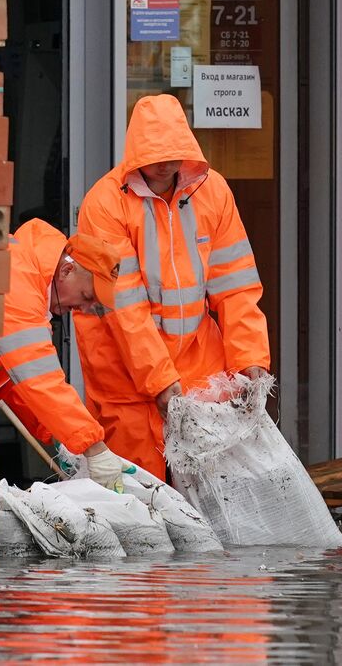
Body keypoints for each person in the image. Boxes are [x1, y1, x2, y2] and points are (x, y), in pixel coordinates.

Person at [73, 93, 271, 479]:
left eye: (175, 153)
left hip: (197, 359)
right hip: (123, 370)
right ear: (137, 155)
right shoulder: (105, 204)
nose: (166, 164)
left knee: (216, 482)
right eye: (156, 156)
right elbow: (124, 308)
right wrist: (161, 381)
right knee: (140, 488)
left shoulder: (212, 191)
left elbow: (237, 285)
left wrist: (251, 360)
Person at [0, 218, 133, 490]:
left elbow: (15, 381)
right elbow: (39, 377)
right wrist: (92, 445)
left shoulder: (26, 274)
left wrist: (58, 437)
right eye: (85, 295)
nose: (83, 308)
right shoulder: (17, 279)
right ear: (66, 271)